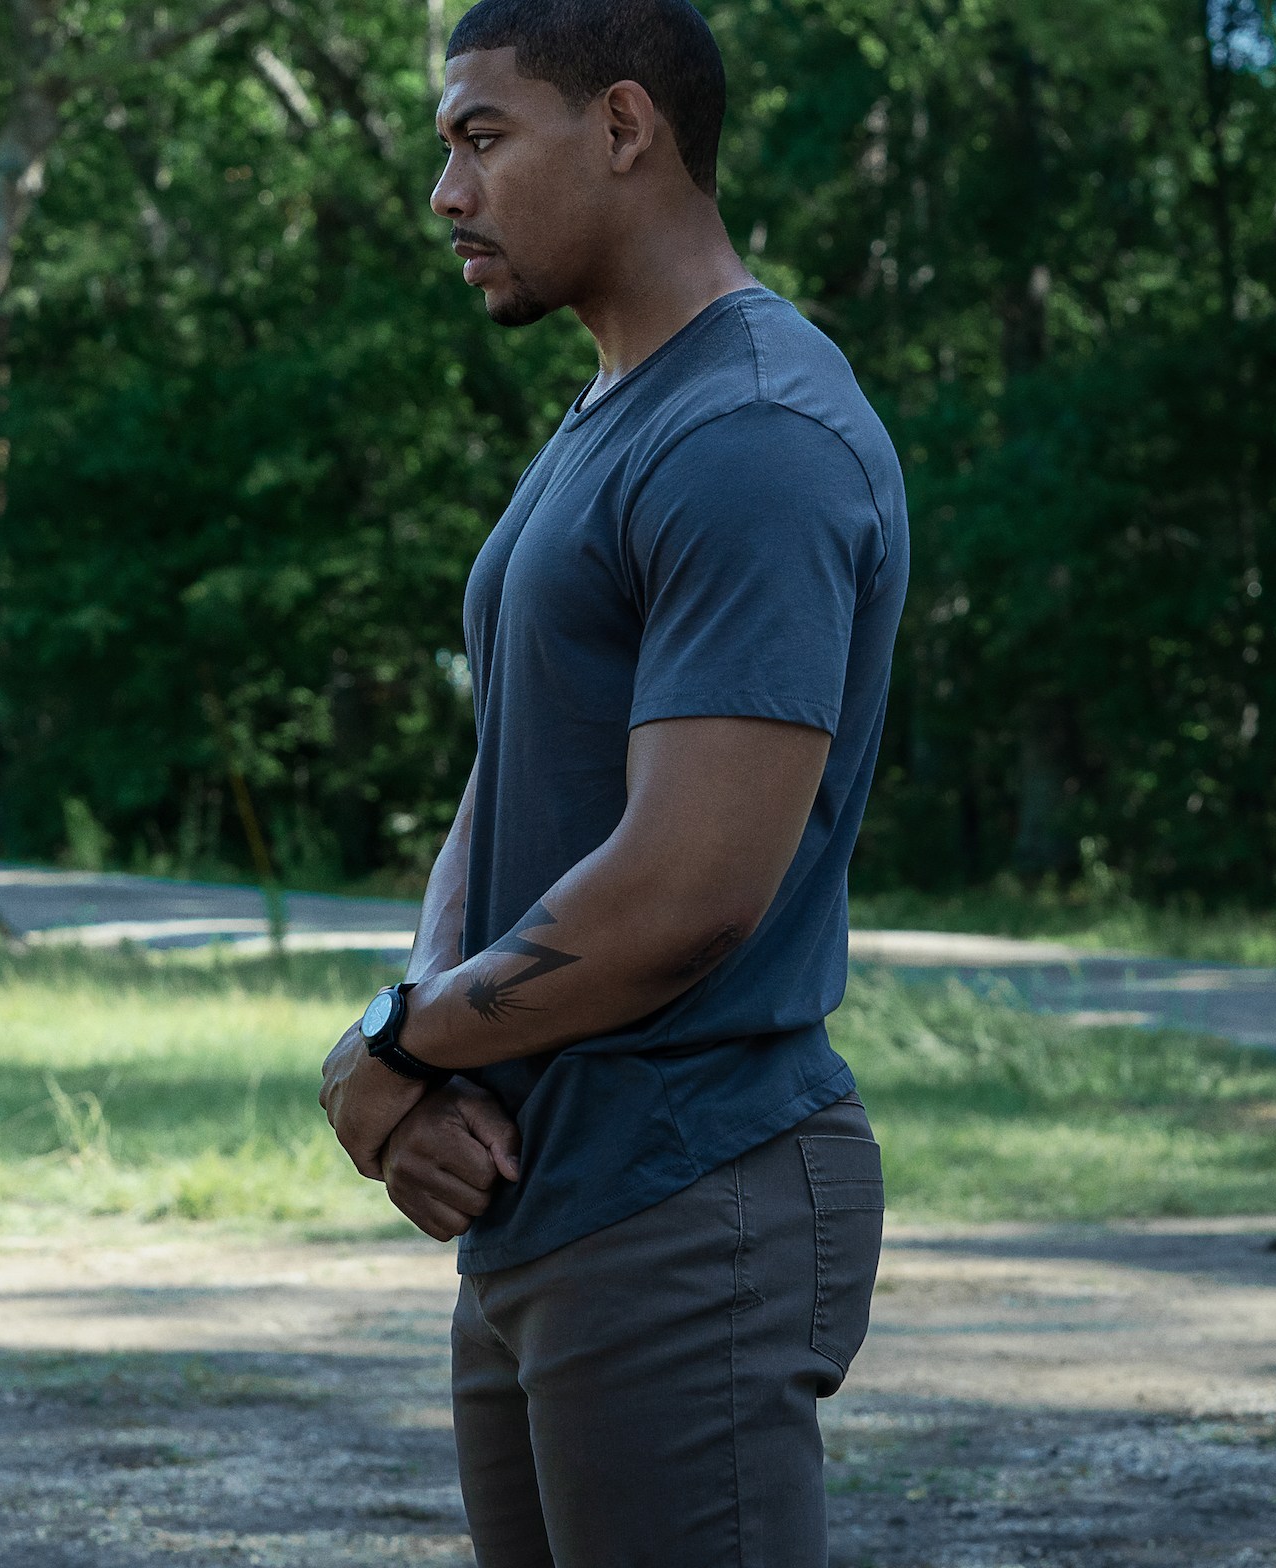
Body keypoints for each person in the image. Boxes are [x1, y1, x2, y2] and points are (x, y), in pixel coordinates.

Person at [314, 2, 909, 1562]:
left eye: (480, 138)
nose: (447, 194)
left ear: (627, 127)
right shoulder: (616, 412)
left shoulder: (753, 431)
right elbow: (509, 764)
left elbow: (687, 892)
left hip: (685, 1195)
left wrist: (390, 1049)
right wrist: (418, 1034)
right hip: (549, 1193)